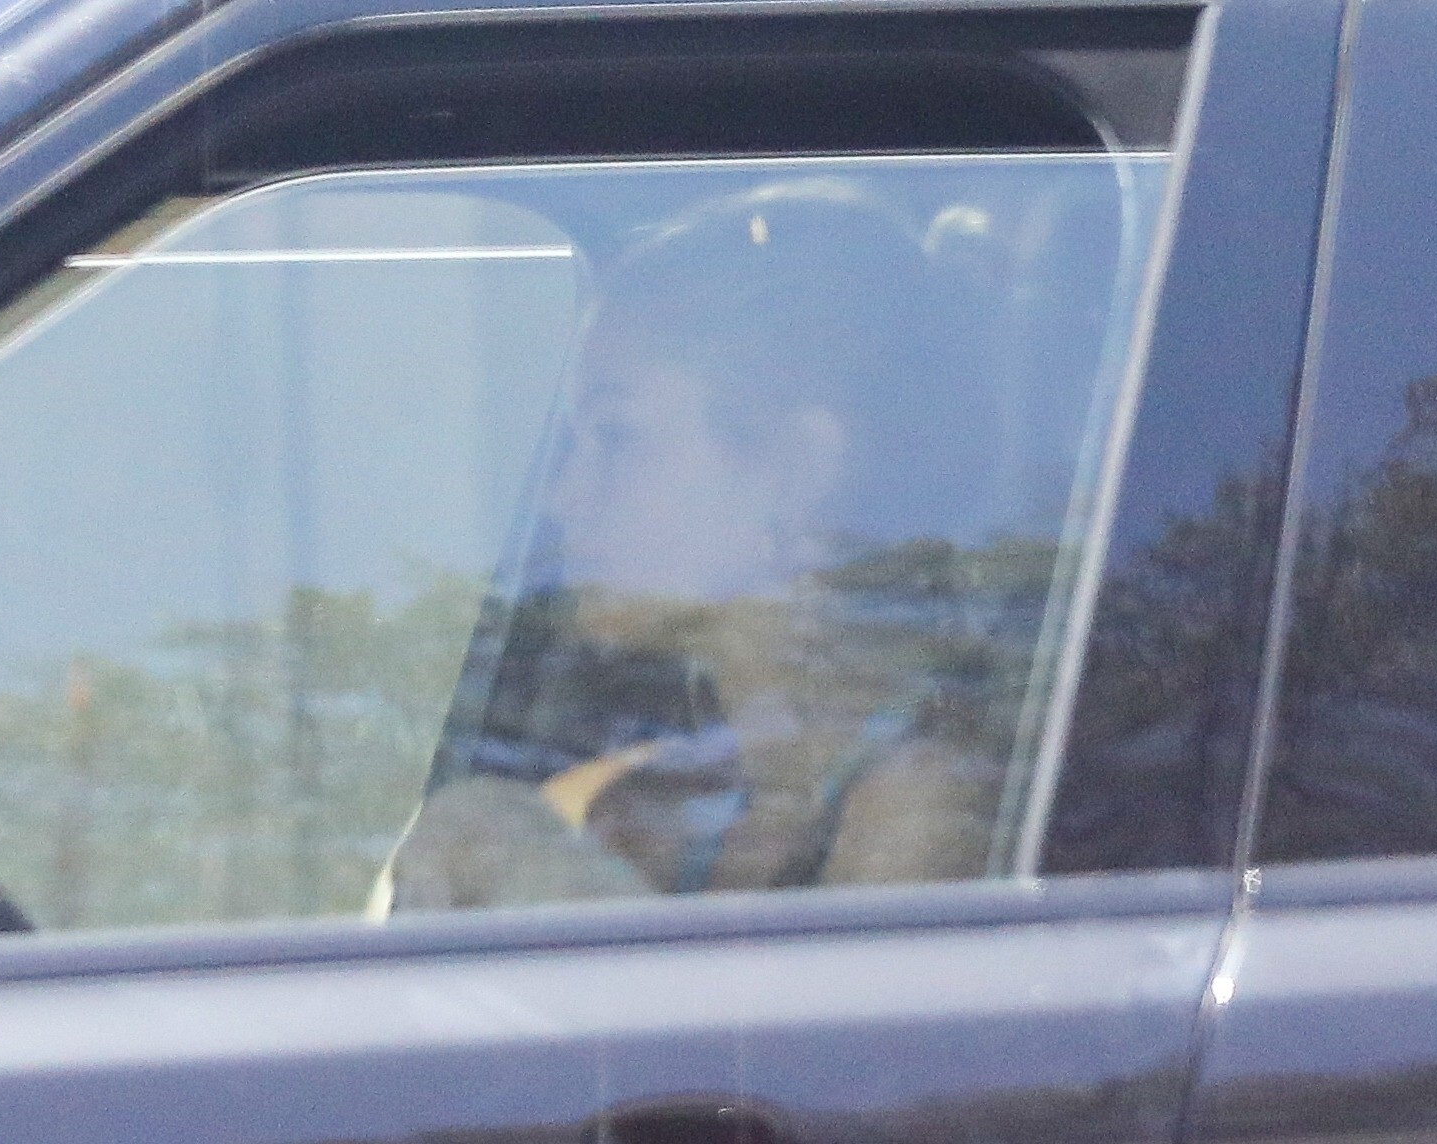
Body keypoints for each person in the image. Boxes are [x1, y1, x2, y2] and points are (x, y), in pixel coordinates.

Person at [382, 177, 1017, 913]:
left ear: (794, 470)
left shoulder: (929, 801)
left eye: (617, 438)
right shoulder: (652, 803)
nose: (563, 498)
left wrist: (521, 862)